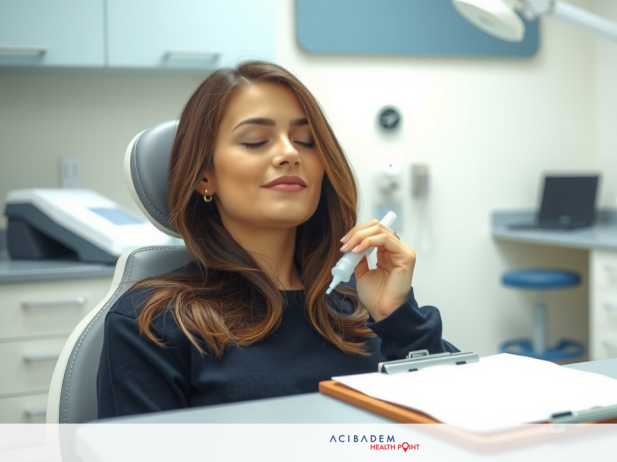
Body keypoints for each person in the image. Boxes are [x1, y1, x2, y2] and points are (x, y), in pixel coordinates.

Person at [96, 61, 457, 418]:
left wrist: (400, 319)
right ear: (205, 176)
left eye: (305, 141)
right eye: (255, 141)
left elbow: (455, 424)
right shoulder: (153, 323)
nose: (289, 153)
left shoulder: (363, 309)